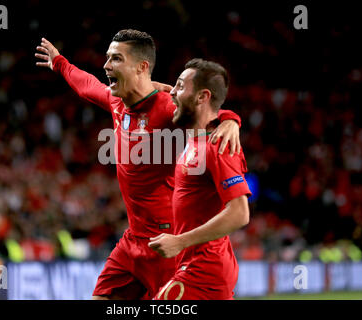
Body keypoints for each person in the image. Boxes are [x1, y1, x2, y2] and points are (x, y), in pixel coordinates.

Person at [35, 29, 242, 300]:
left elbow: (205, 111)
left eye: (116, 59)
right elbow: (86, 85)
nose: (106, 65)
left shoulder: (170, 109)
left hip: (166, 244)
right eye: (108, 58)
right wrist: (60, 63)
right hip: (133, 240)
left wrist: (230, 120)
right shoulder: (116, 100)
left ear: (142, 67)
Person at [148, 58, 251, 300]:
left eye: (181, 86)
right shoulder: (196, 140)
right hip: (196, 268)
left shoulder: (219, 145)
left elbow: (240, 213)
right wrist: (231, 117)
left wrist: (180, 241)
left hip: (204, 272)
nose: (172, 91)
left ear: (202, 96)